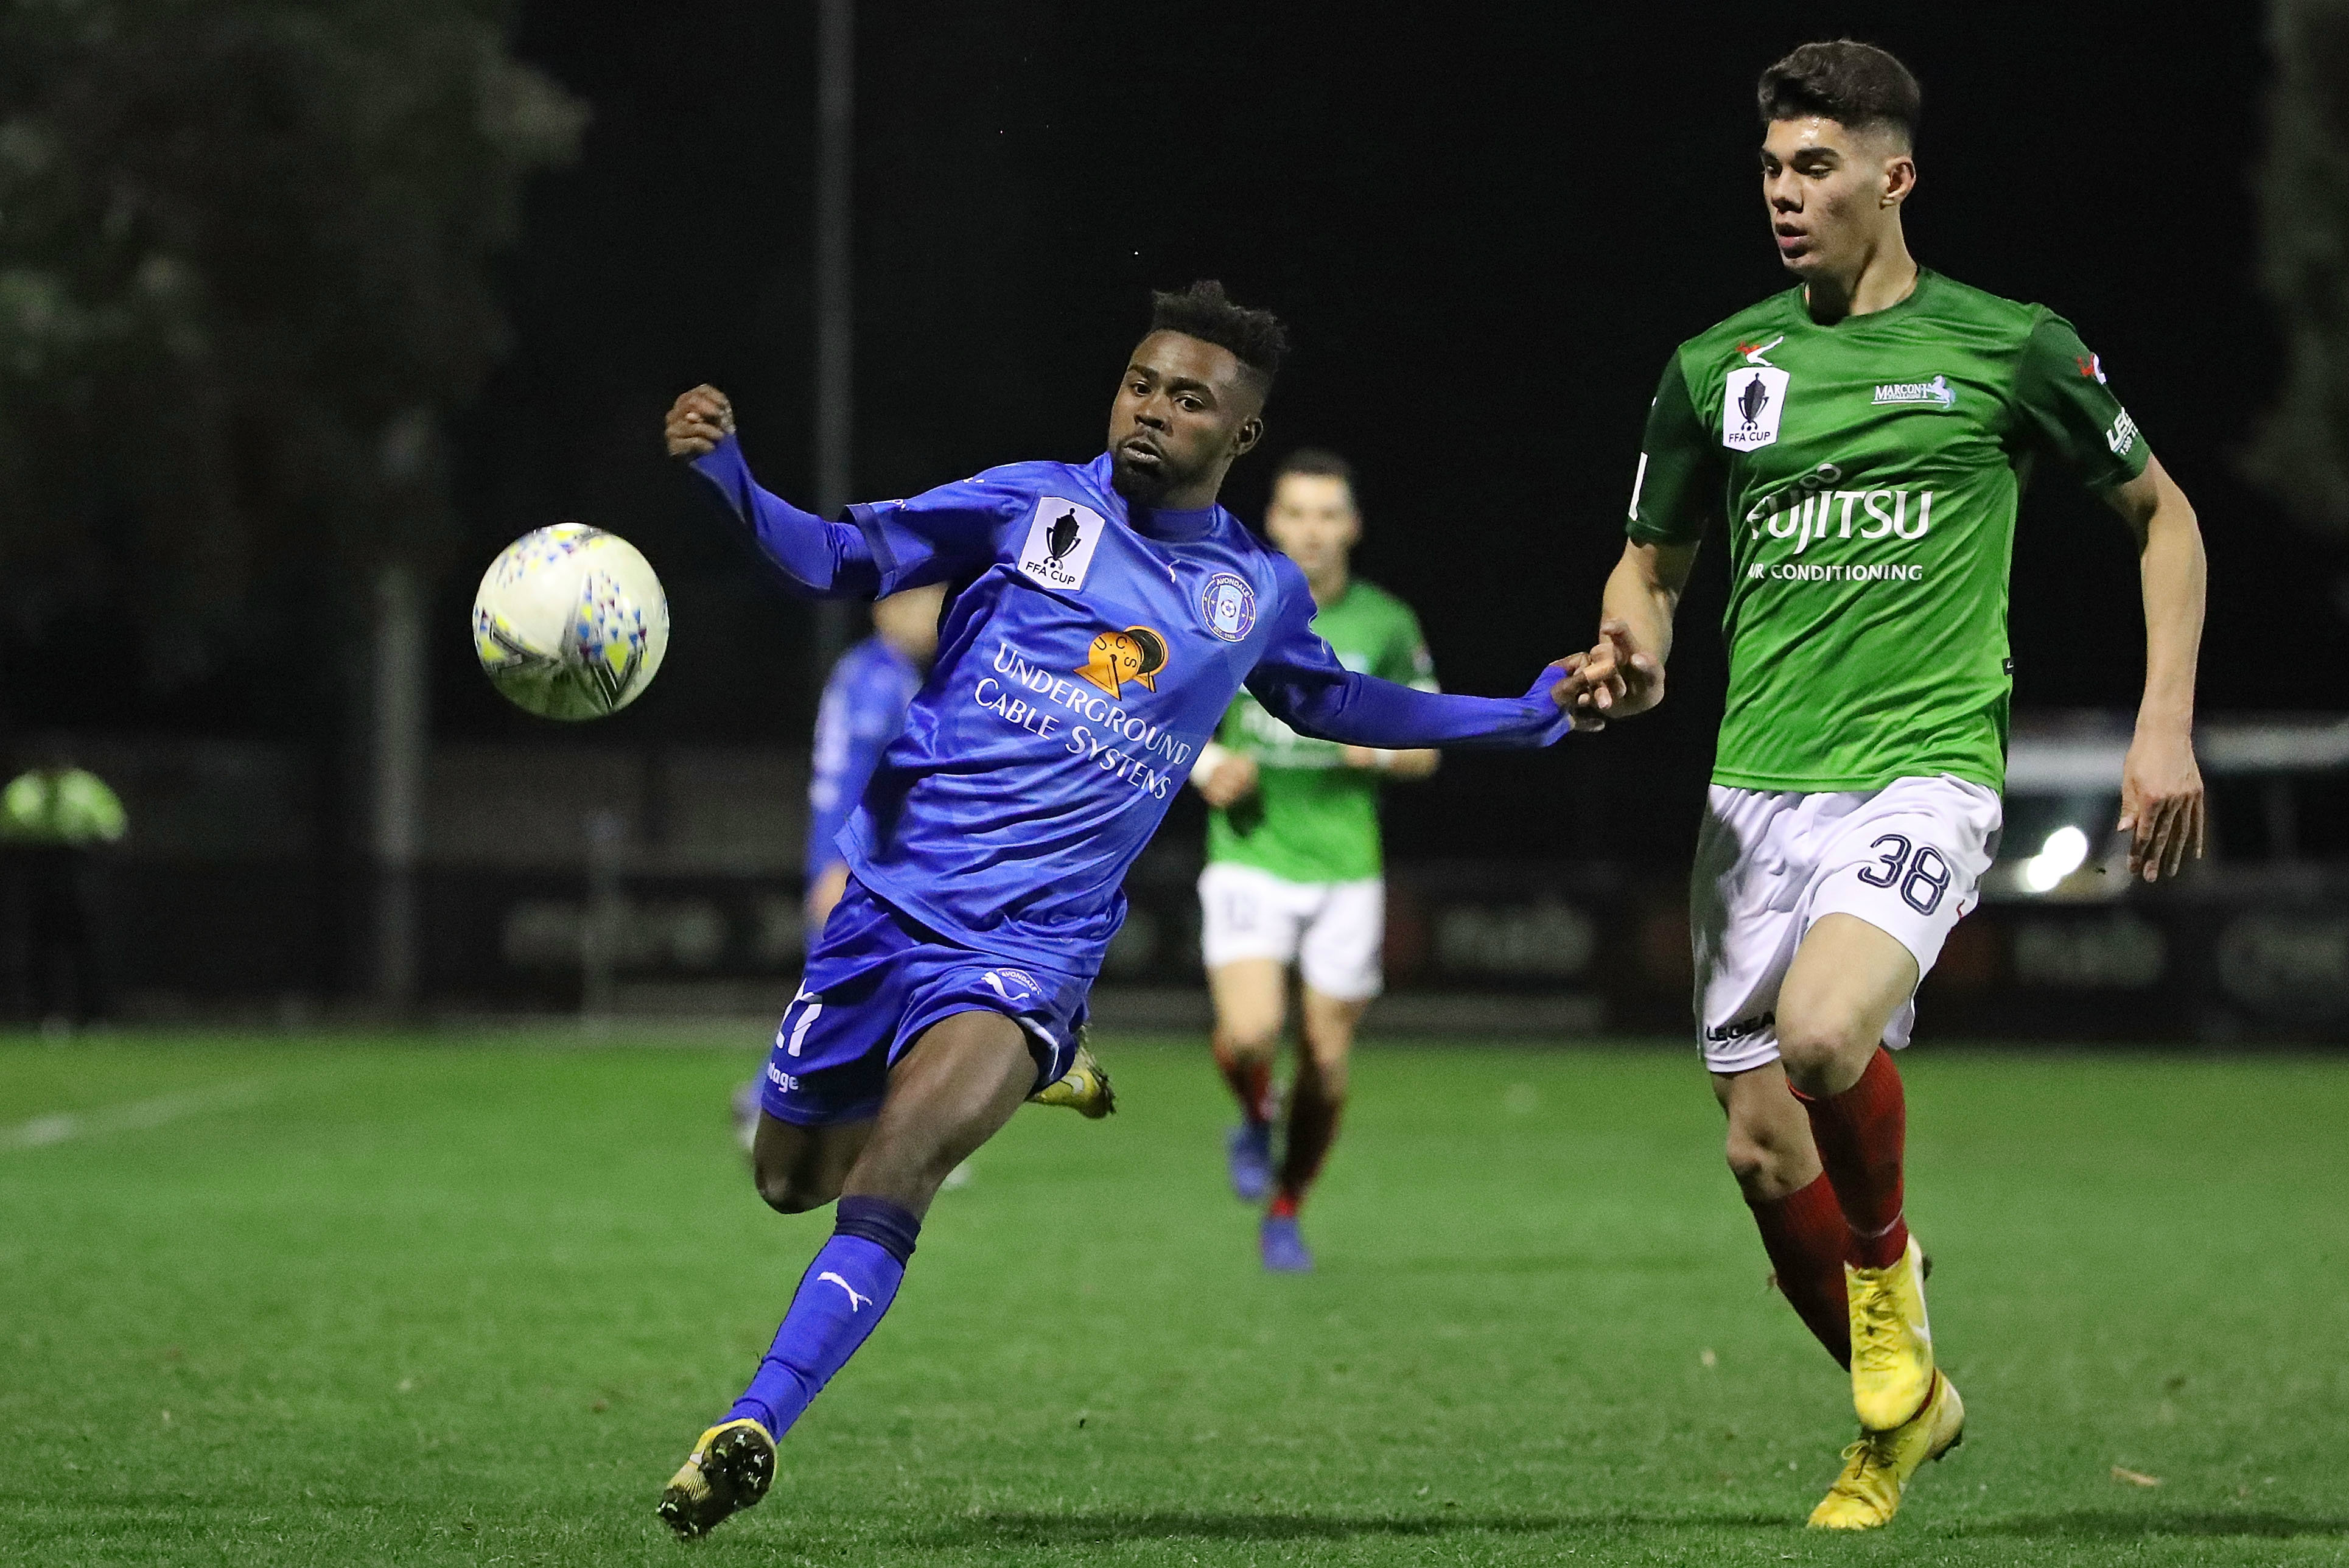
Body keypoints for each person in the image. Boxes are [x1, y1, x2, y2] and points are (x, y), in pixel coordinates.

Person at [654, 279, 1586, 1538]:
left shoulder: (1255, 590)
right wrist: (730, 476)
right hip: (886, 910)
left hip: (1029, 953)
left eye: (1188, 400)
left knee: (898, 1168)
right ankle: (1019, 1071)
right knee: (787, 1180)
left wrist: (1518, 717)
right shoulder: (1030, 506)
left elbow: (1338, 703)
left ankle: (752, 1420)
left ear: (1240, 434)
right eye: (1140, 384)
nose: (1152, 410)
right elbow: (832, 557)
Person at [1563, 41, 2207, 1531]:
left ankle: (1886, 1276)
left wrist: (2162, 725)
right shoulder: (1718, 371)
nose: (1784, 195)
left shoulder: (2010, 347)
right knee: (1757, 1146)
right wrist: (1634, 650)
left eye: (1816, 168)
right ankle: (1907, 1411)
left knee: (1822, 1032)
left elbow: (2163, 519)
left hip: (1922, 773)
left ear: (1893, 177)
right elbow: (1650, 564)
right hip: (1754, 792)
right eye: (1771, 170)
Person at [1190, 448, 1438, 1272]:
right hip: (1250, 850)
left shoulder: (1386, 623)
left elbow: (1428, 745)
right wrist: (1205, 766)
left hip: (1344, 867)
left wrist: (1381, 750)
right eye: (1296, 513)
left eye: (1328, 514)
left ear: (1352, 526)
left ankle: (1285, 1208)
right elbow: (1157, 709)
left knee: (1326, 1066)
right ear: (1272, 520)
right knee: (1250, 1033)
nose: (1311, 531)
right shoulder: (1231, 607)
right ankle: (1254, 1114)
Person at [1, 749, 128, 1029]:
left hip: (79, 869)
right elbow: (8, 828)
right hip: (36, 870)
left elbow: (113, 827)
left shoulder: (85, 787)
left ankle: (95, 1016)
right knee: (40, 946)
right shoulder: (24, 789)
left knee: (89, 947)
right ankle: (47, 1015)